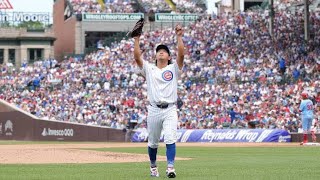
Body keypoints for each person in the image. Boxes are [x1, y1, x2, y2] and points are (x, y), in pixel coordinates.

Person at [133, 24, 184, 178]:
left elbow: (181, 55)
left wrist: (179, 37)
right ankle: (153, 167)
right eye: (159, 51)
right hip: (154, 109)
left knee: (170, 137)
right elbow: (137, 58)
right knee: (153, 142)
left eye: (165, 51)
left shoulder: (173, 69)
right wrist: (136, 40)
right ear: (155, 56)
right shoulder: (149, 69)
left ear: (169, 57)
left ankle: (170, 168)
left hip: (169, 109)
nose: (161, 52)